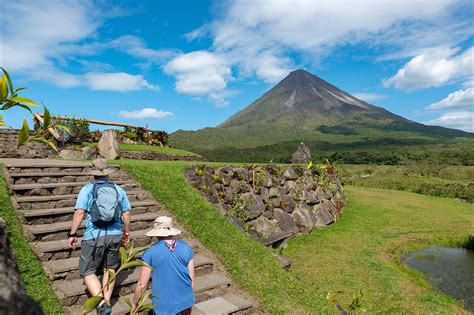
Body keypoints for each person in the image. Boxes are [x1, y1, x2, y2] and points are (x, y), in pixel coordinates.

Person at [68, 158, 132, 315]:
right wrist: (126, 232)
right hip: (115, 235)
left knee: (87, 270)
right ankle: (108, 301)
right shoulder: (119, 190)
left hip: (93, 235)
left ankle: (102, 303)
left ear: (94, 173)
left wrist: (72, 233)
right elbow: (126, 213)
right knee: (110, 268)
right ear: (108, 173)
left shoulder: (87, 189)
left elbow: (79, 212)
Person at [133, 216, 195, 315]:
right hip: (186, 300)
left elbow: (142, 285)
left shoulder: (150, 251)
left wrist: (135, 303)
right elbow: (191, 277)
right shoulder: (186, 247)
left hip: (164, 304)